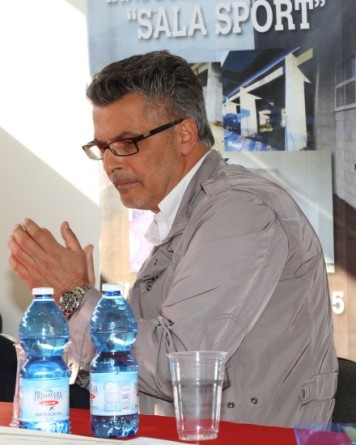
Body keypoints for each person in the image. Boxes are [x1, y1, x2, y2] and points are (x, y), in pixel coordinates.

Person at [7, 50, 338, 427]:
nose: (111, 163)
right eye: (103, 148)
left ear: (184, 135)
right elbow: (137, 370)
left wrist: (76, 295)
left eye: (127, 142)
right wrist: (76, 306)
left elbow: (177, 366)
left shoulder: (240, 210)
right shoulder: (184, 213)